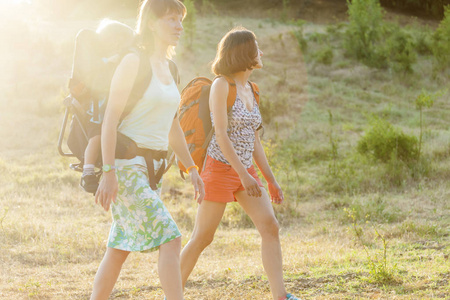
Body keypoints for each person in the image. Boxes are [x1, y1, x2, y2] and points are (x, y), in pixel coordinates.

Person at [91, 1, 204, 299]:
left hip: (153, 172)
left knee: (119, 248)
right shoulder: (133, 62)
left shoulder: (171, 68)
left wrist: (192, 168)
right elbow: (110, 119)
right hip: (126, 166)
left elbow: (173, 125)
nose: (179, 26)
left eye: (180, 19)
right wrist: (108, 171)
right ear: (152, 23)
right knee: (172, 237)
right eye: (171, 19)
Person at [179, 27, 300, 300]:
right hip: (220, 169)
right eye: (256, 48)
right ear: (244, 53)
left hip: (246, 171)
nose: (261, 53)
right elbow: (221, 135)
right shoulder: (222, 85)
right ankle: (171, 294)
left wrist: (270, 179)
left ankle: (281, 296)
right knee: (202, 238)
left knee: (270, 226)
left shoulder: (252, 90)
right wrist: (244, 175)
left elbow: (254, 141)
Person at [69, 19, 136, 193]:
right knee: (97, 137)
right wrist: (109, 61)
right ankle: (88, 172)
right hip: (97, 112)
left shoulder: (124, 60)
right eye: (118, 41)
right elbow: (94, 71)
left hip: (110, 111)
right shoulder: (100, 59)